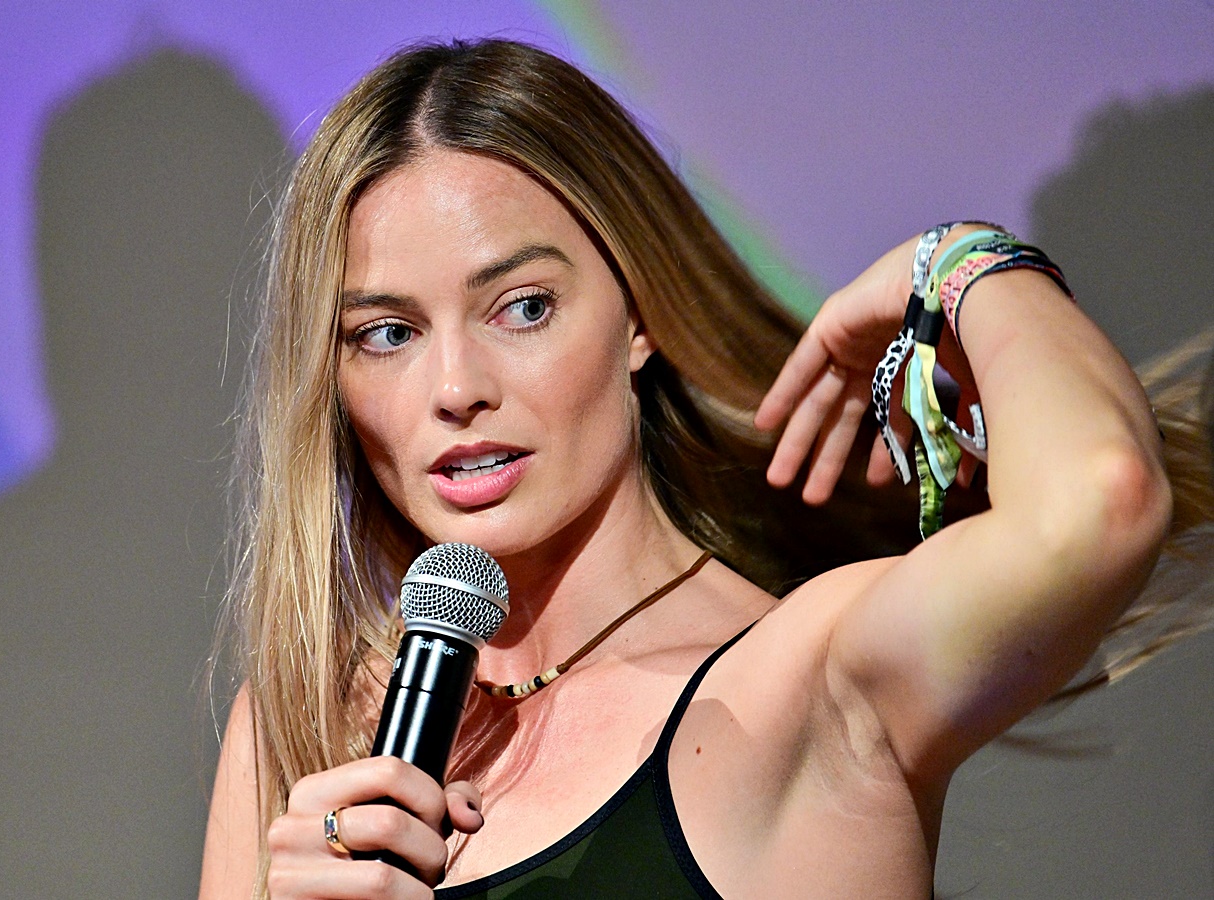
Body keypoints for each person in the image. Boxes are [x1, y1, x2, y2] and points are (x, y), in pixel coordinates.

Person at [197, 39, 1211, 899]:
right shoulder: (303, 724)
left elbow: (1103, 498)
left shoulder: (808, 685)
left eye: (524, 308)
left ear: (639, 313)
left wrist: (959, 264)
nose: (455, 388)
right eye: (386, 333)